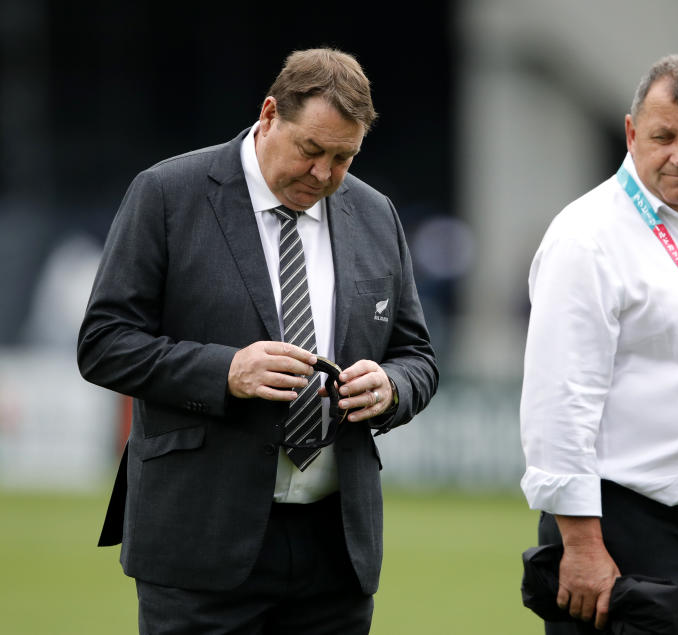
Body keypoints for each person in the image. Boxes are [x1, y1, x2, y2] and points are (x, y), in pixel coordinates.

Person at [78, 48, 438, 634]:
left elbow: (417, 357)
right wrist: (225, 373)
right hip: (199, 544)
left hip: (335, 552)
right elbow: (103, 342)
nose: (324, 174)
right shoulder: (167, 194)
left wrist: (392, 387)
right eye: (311, 150)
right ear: (269, 114)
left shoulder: (376, 214)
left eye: (344, 157)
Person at [520, 54, 678, 634]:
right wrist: (581, 545)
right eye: (663, 136)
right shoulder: (587, 237)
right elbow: (558, 402)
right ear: (632, 132)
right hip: (633, 539)